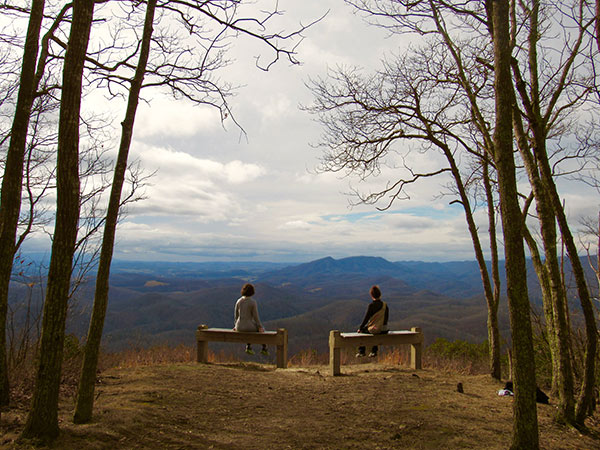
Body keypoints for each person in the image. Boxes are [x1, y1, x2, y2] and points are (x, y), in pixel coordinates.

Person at [234, 283, 268, 356]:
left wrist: (235, 325)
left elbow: (236, 315)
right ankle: (264, 348)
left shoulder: (238, 301)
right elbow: (255, 317)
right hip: (248, 326)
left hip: (239, 326)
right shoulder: (252, 302)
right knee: (261, 330)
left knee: (249, 329)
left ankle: (248, 347)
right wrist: (260, 327)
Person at [356, 285, 389, 358]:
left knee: (363, 331)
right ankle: (374, 351)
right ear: (380, 294)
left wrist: (360, 328)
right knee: (376, 331)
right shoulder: (385, 305)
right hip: (384, 329)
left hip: (376, 329)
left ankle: (362, 351)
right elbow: (386, 318)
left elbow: (366, 318)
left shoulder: (371, 305)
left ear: (371, 295)